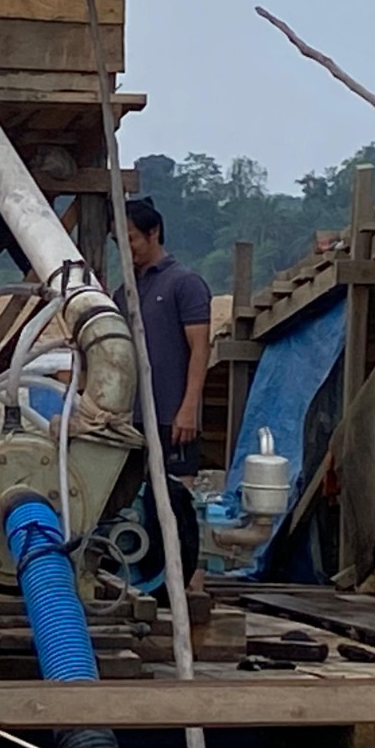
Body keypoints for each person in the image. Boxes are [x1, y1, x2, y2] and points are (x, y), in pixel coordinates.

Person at [113, 198, 210, 590]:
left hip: (173, 413)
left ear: (153, 233)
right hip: (131, 416)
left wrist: (189, 407)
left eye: (132, 238)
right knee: (136, 504)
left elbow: (201, 349)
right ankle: (146, 582)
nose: (128, 247)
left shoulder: (184, 283)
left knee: (178, 503)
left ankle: (187, 584)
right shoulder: (126, 291)